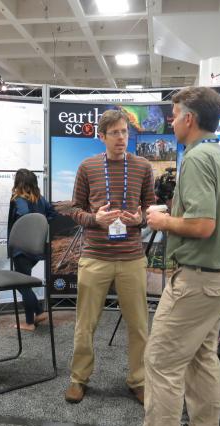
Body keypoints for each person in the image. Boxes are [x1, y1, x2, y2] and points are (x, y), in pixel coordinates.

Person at [114, 86, 220, 426]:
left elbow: (203, 227)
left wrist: (161, 222)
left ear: (189, 118)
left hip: (196, 281)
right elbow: (210, 216)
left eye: (173, 114)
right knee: (203, 358)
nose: (170, 121)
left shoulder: (198, 159)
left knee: (161, 364)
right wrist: (172, 213)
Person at [64, 109, 156, 405]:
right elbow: (75, 209)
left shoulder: (142, 166)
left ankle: (139, 380)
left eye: (125, 132)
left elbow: (151, 209)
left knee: (139, 324)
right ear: (101, 136)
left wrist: (141, 218)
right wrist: (95, 220)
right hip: (95, 256)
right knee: (85, 323)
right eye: (114, 133)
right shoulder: (87, 166)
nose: (121, 138)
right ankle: (78, 378)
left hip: (131, 256)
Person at [7, 168, 57, 332]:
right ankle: (36, 315)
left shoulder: (19, 199)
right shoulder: (41, 199)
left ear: (18, 183)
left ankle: (32, 319)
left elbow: (24, 215)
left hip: (21, 249)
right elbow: (52, 214)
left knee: (22, 285)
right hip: (36, 249)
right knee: (25, 283)